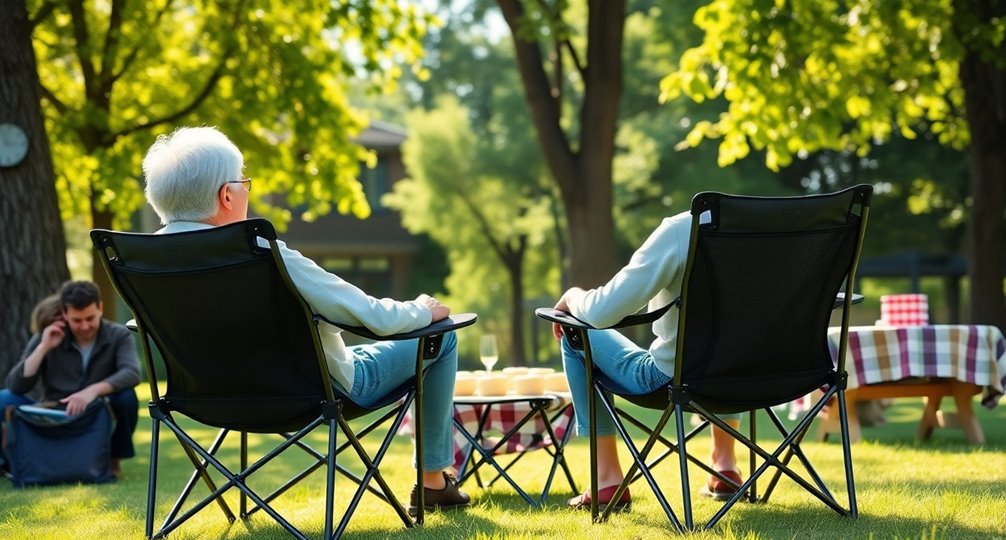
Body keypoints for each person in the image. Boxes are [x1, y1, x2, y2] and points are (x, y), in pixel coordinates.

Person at [140, 126, 469, 515]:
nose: (247, 190)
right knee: (441, 337)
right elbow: (370, 315)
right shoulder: (262, 253)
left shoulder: (142, 260)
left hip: (206, 398)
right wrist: (421, 310)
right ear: (226, 195)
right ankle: (433, 482)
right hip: (312, 391)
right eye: (243, 181)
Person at [551, 211, 741, 511]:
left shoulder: (682, 230)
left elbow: (601, 312)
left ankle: (606, 479)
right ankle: (725, 464)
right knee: (733, 347)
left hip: (675, 379)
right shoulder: (789, 228)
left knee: (576, 331)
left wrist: (574, 294)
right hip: (763, 378)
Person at [2, 281, 142, 478]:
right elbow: (16, 386)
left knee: (126, 397)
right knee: (4, 399)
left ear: (100, 308)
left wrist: (91, 391)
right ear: (65, 314)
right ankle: (9, 463)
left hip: (95, 410)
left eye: (90, 318)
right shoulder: (49, 334)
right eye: (77, 320)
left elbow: (132, 373)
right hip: (54, 408)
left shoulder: (118, 335)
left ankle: (113, 460)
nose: (84, 326)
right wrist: (44, 347)